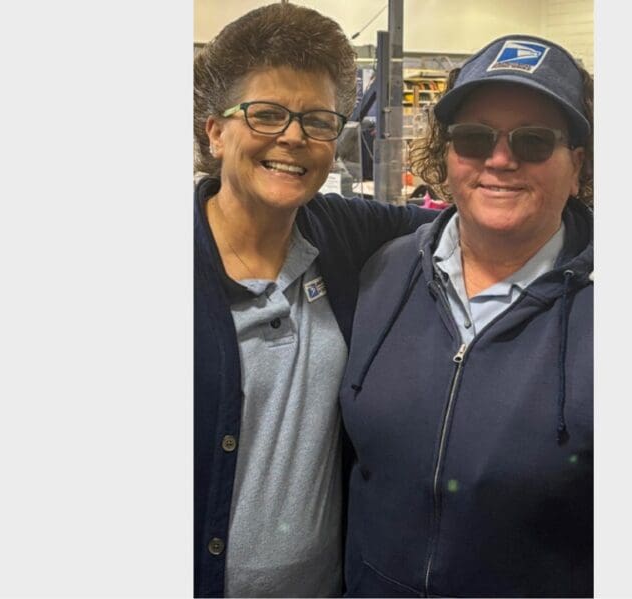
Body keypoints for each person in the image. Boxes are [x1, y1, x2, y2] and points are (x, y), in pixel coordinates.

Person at [193, 4, 435, 597]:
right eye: (266, 114)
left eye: (318, 120)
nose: (294, 136)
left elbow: (469, 225)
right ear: (216, 132)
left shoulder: (344, 235)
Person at [339, 35, 594, 597]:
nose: (500, 160)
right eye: (475, 138)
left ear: (576, 164)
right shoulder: (385, 273)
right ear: (448, 154)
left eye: (533, 141)